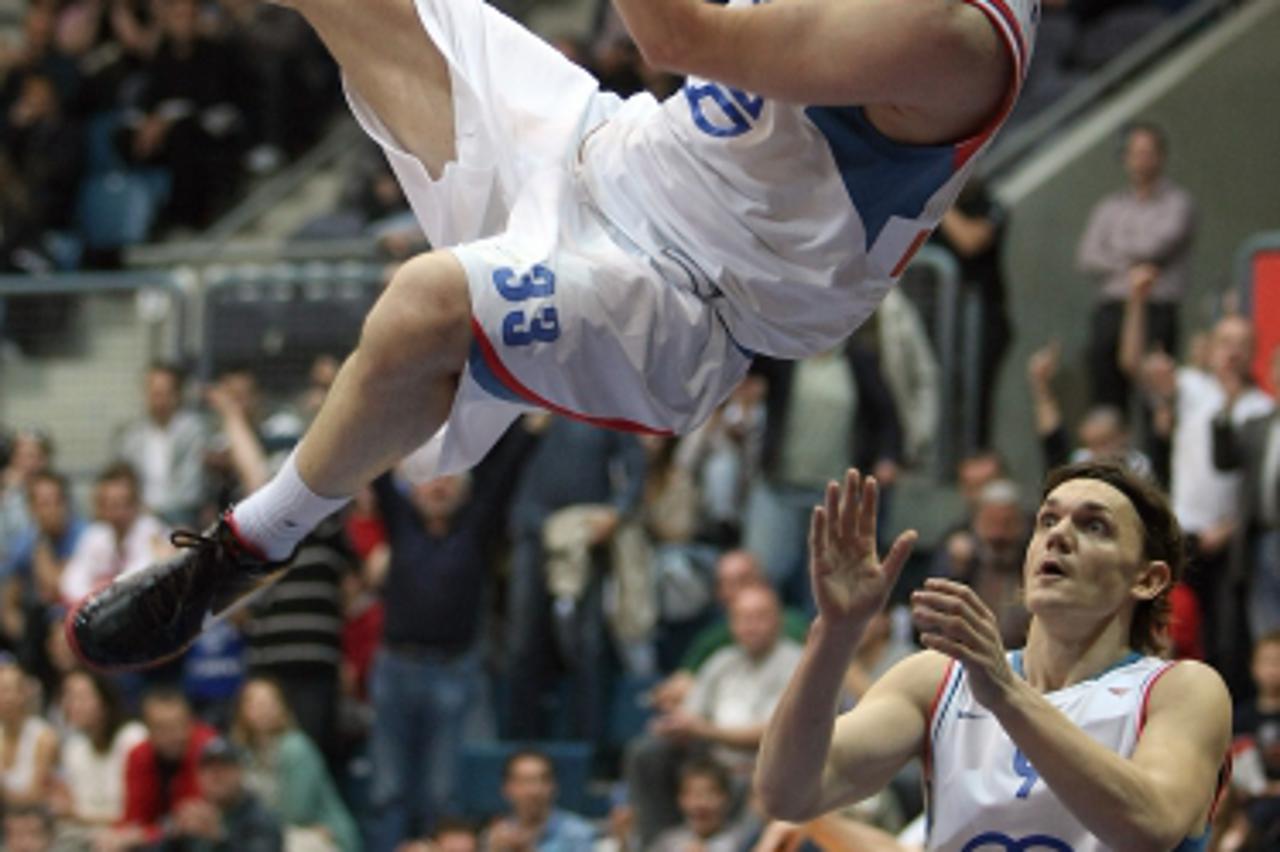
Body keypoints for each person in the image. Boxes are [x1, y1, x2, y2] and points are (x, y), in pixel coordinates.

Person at [68, 0, 1038, 671]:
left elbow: (671, 30)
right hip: (610, 149)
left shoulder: (952, 34)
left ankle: (240, 552)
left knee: (422, 305)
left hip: (679, 294)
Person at [754, 463, 1231, 850]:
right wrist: (836, 633)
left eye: (1094, 526)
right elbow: (788, 793)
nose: (1060, 534)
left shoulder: (1180, 689)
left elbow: (1150, 827)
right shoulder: (938, 681)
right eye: (1048, 520)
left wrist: (1007, 693)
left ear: (1146, 580)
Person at [1077, 121, 1196, 414]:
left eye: (1148, 152)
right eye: (1135, 152)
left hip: (1156, 309)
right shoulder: (1109, 207)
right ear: (1124, 158)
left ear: (1161, 156)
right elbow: (1088, 257)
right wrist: (1132, 261)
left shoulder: (1178, 203)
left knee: (1153, 397)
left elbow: (1157, 247)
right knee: (1106, 398)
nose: (1141, 159)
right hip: (1112, 308)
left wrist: (1114, 251)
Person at [229, 677, 360, 852]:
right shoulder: (242, 752)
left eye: (269, 702)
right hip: (269, 831)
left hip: (321, 834)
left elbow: (297, 813)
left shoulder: (296, 747)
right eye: (255, 703)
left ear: (281, 707)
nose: (263, 710)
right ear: (242, 711)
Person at [483, 750, 596, 852]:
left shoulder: (578, 834)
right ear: (507, 788)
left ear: (554, 786)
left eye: (543, 780)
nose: (534, 790)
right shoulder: (497, 835)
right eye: (525, 781)